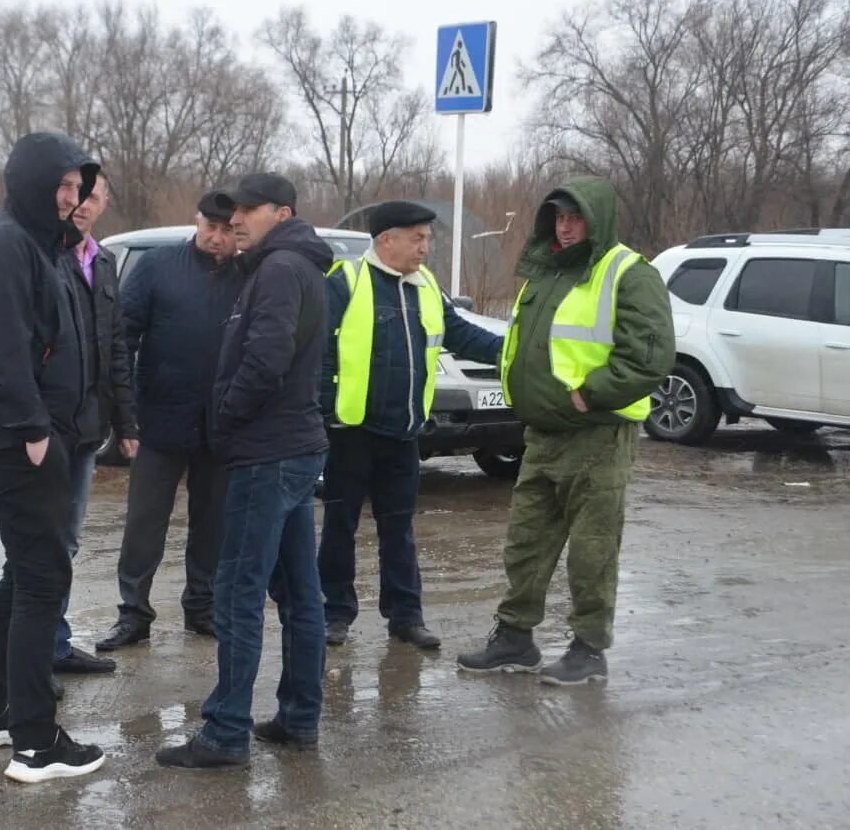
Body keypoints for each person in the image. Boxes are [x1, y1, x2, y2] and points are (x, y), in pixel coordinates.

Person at [456, 176, 674, 686]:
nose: (566, 226)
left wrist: (591, 393)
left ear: (596, 219)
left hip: (597, 435)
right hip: (542, 434)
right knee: (526, 541)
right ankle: (515, 638)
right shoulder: (546, 272)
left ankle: (589, 648)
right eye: (558, 217)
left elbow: (650, 355)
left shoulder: (628, 272)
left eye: (575, 217)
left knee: (592, 548)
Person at [156, 173, 330, 769]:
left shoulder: (280, 269)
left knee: (237, 591)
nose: (236, 221)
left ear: (282, 212)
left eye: (249, 210)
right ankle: (299, 717)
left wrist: (226, 418)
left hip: (267, 452)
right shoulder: (295, 264)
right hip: (293, 448)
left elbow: (268, 356)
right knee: (301, 593)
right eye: (232, 212)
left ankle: (226, 732)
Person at [0, 131, 106, 783]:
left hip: (44, 437)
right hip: (20, 442)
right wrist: (34, 430)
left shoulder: (47, 247)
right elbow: (2, 351)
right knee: (44, 579)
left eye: (78, 188)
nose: (72, 198)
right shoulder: (5, 247)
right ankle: (37, 744)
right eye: (64, 186)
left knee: (24, 573)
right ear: (33, 183)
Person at [318, 201, 503, 650]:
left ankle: (405, 616)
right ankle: (334, 614)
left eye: (427, 238)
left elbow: (460, 334)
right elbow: (317, 353)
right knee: (340, 526)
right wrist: (321, 415)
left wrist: (512, 349)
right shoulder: (345, 283)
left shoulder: (425, 287)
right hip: (350, 432)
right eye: (417, 238)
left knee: (398, 529)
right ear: (387, 240)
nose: (426, 247)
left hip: (404, 434)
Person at [96, 191, 244, 651]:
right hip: (160, 421)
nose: (216, 238)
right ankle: (133, 614)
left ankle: (202, 608)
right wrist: (126, 417)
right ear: (195, 221)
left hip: (222, 425)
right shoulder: (158, 268)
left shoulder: (250, 277)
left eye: (226, 230)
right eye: (209, 227)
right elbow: (123, 340)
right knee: (144, 523)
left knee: (212, 523)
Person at [52, 170, 139, 676]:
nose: (82, 204)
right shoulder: (44, 257)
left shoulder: (103, 262)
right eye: (76, 194)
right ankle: (33, 656)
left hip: (88, 429)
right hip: (48, 430)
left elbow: (117, 350)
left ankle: (56, 645)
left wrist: (127, 424)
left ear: (103, 205)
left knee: (67, 540)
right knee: (40, 544)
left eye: (93, 197)